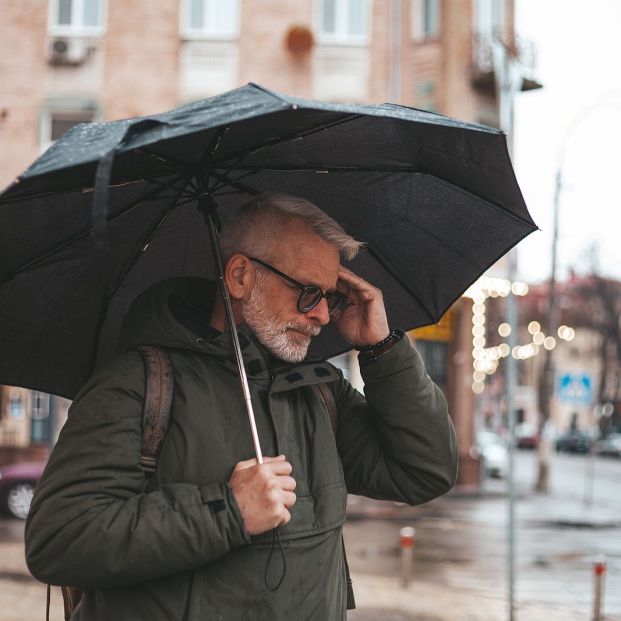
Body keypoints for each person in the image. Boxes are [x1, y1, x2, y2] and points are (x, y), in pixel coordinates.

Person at [25, 193, 458, 620]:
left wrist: (383, 349)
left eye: (332, 296)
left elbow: (424, 473)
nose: (324, 315)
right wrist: (226, 511)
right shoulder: (139, 384)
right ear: (239, 277)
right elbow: (59, 539)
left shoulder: (318, 392)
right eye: (309, 292)